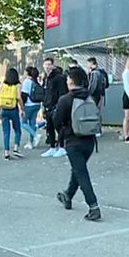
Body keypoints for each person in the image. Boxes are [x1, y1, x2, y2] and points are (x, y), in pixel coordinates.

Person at [54, 67, 101, 221]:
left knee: (81, 173)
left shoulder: (65, 99)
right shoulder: (90, 98)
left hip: (73, 141)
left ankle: (93, 206)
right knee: (78, 169)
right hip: (89, 141)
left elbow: (57, 121)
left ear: (71, 82)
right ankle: (67, 195)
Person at [41, 57, 68, 158]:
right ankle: (52, 147)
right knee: (49, 128)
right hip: (47, 106)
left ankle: (62, 147)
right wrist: (43, 106)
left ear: (53, 65)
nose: (47, 67)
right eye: (46, 64)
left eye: (49, 64)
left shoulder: (59, 78)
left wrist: (59, 106)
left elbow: (62, 93)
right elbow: (45, 93)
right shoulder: (46, 78)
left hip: (56, 106)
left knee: (59, 127)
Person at [0, 68, 25, 160]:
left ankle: (6, 152)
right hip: (13, 109)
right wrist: (22, 109)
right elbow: (19, 97)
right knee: (17, 130)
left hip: (4, 109)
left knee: (6, 131)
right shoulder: (17, 85)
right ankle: (16, 148)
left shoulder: (2, 85)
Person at [21, 66, 42, 149]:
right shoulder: (36, 81)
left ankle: (35, 135)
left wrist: (22, 107)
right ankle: (31, 142)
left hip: (29, 105)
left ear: (27, 73)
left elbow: (24, 95)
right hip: (37, 104)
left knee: (23, 123)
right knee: (32, 123)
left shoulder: (27, 81)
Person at [86, 57, 106, 136]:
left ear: (91, 63)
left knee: (93, 112)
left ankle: (96, 130)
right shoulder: (102, 72)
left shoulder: (94, 73)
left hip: (94, 95)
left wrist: (88, 93)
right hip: (101, 94)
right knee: (98, 112)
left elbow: (92, 86)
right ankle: (98, 129)